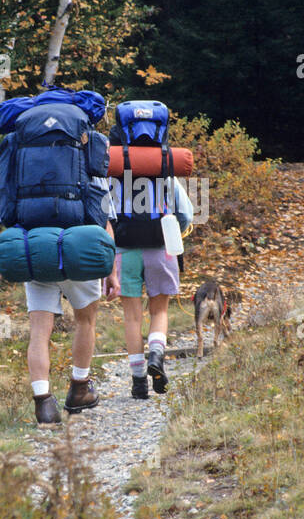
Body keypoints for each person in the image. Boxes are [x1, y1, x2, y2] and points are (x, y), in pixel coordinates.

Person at [26, 168, 120, 425]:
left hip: (36, 247)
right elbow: (105, 221)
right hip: (81, 247)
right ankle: (79, 389)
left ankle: (43, 404)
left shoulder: (28, 157)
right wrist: (112, 272)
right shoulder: (88, 158)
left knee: (39, 332)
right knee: (85, 321)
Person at [116, 174, 193, 399]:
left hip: (123, 248)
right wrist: (174, 232)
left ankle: (139, 382)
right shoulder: (163, 169)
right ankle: (156, 356)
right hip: (161, 247)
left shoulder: (113, 173)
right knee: (159, 311)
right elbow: (186, 214)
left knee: (132, 317)